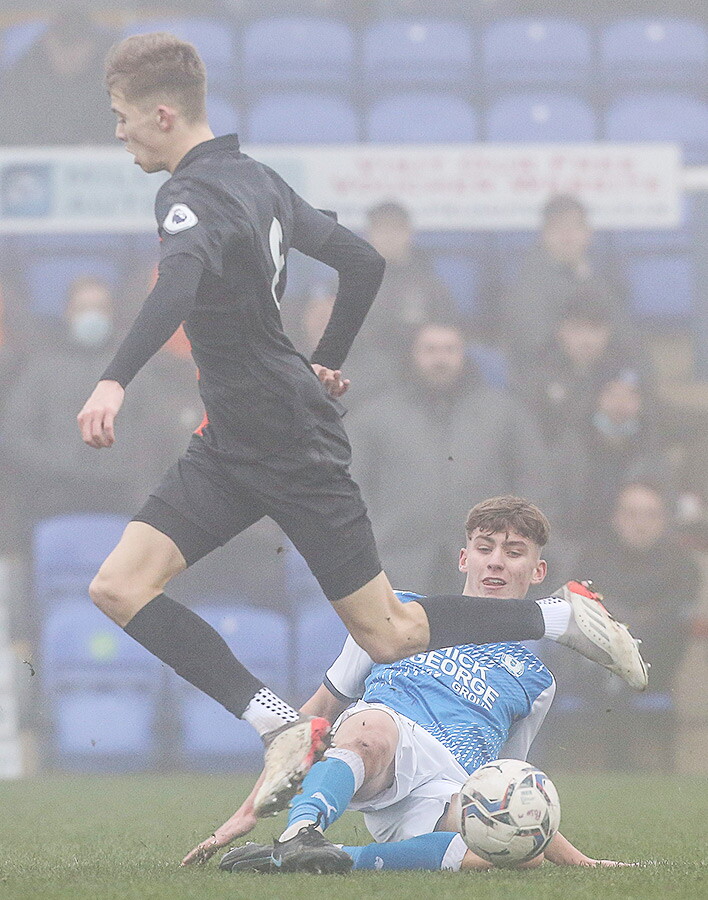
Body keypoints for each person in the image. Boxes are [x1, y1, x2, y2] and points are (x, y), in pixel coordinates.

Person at [77, 33, 647, 818]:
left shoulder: (190, 196)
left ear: (162, 114)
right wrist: (325, 359)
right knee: (117, 586)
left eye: (121, 118)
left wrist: (113, 378)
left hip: (285, 439)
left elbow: (177, 284)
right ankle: (280, 725)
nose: (119, 134)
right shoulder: (258, 179)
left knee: (391, 634)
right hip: (236, 437)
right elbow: (364, 262)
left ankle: (560, 616)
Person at [186, 497, 624, 873]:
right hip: (382, 748)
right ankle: (301, 833)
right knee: (371, 725)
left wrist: (577, 860)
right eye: (484, 547)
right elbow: (318, 711)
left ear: (537, 570)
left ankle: (337, 858)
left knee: (514, 852)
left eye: (514, 551)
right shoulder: (401, 612)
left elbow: (511, 786)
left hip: (449, 784)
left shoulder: (537, 679)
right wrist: (248, 809)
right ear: (463, 558)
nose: (495, 560)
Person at [346, 320, 552, 594]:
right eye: (430, 350)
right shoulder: (375, 416)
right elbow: (352, 485)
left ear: (464, 354)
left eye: (449, 349)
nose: (440, 358)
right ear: (413, 355)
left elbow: (533, 481)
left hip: (487, 564)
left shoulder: (504, 414)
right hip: (399, 563)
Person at [502, 194, 629, 376]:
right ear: (544, 235)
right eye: (558, 228)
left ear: (588, 233)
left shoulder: (606, 278)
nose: (567, 236)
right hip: (549, 381)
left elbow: (624, 336)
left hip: (606, 378)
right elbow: (533, 345)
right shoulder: (527, 286)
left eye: (574, 227)